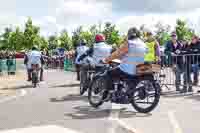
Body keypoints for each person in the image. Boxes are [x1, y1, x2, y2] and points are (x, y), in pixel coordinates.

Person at [102, 27, 148, 96]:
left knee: (109, 73)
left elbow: (117, 54)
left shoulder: (129, 43)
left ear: (129, 35)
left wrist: (106, 60)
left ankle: (109, 93)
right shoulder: (144, 44)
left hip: (127, 70)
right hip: (139, 70)